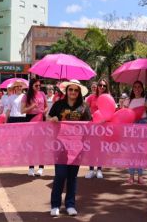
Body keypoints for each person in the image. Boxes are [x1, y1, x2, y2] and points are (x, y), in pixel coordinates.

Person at [47, 80, 91, 217]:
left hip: (77, 147)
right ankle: (55, 205)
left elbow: (89, 124)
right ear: (66, 91)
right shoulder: (58, 104)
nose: (73, 92)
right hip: (60, 145)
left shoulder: (84, 107)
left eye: (75, 90)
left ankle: (70, 205)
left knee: (72, 177)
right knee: (60, 175)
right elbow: (48, 116)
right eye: (70, 90)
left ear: (79, 93)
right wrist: (52, 118)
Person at [124, 81, 147, 185]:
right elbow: (124, 114)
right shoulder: (128, 100)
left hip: (143, 123)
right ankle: (131, 176)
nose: (137, 89)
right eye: (135, 87)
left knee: (140, 151)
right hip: (132, 125)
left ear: (142, 88)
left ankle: (140, 176)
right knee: (131, 151)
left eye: (139, 87)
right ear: (132, 88)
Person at [21, 78, 48, 176]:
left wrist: (45, 111)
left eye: (39, 85)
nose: (38, 87)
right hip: (30, 120)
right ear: (31, 86)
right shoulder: (26, 96)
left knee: (41, 146)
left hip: (41, 120)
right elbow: (22, 110)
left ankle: (41, 167)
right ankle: (31, 167)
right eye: (36, 85)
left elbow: (46, 106)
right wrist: (32, 106)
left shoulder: (42, 94)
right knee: (31, 146)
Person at [84, 78, 110, 179]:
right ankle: (91, 170)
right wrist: (91, 116)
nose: (102, 87)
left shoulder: (109, 97)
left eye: (104, 86)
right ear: (97, 86)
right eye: (100, 85)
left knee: (100, 149)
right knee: (92, 148)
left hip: (103, 127)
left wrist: (105, 118)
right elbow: (86, 110)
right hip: (92, 126)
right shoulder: (91, 97)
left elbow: (111, 111)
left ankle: (99, 169)